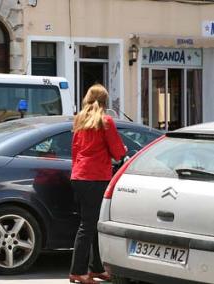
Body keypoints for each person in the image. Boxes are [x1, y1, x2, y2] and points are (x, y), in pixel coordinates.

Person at [69, 84, 126, 284]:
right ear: (105, 101)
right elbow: (118, 152)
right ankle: (77, 271)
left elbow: (75, 151)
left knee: (91, 223)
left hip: (79, 176)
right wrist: (123, 150)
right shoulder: (106, 121)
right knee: (88, 225)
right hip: (96, 177)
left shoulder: (80, 120)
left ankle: (97, 268)